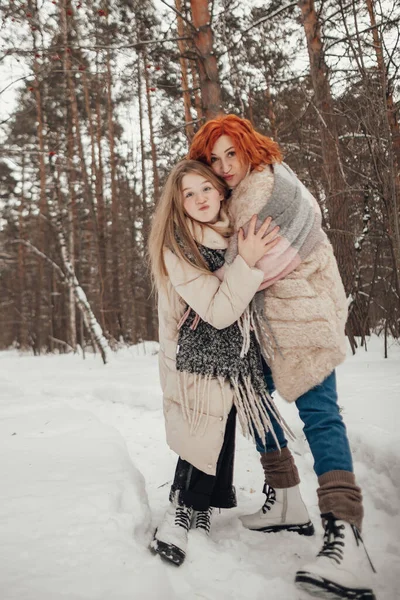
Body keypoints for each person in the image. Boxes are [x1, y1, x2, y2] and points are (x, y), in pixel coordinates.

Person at [188, 114, 376, 600]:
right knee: (252, 399)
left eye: (233, 153)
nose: (226, 166)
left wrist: (230, 265)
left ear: (250, 149)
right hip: (266, 323)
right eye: (215, 159)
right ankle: (287, 497)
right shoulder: (239, 197)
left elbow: (256, 262)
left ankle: (345, 535)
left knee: (319, 415)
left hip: (301, 313)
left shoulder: (270, 188)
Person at [147, 159, 289, 566]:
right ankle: (181, 507)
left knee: (220, 420)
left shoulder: (233, 229)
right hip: (190, 351)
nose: (199, 199)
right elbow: (219, 311)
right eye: (188, 194)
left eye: (204, 188)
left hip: (234, 352)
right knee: (201, 422)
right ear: (179, 204)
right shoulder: (178, 244)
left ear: (220, 189)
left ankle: (203, 504)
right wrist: (246, 261)